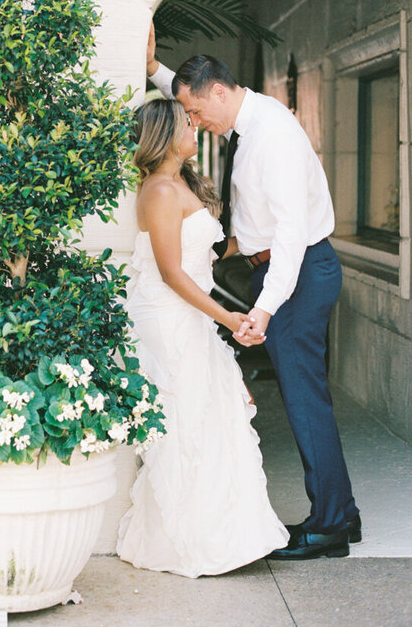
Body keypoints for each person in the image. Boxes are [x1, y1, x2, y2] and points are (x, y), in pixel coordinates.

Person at [146, 28, 360, 561]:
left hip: (299, 272)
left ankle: (330, 525)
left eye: (198, 114)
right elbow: (186, 94)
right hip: (277, 268)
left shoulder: (274, 137)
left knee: (304, 397)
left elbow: (289, 237)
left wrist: (264, 309)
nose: (196, 124)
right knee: (304, 394)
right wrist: (154, 70)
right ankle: (343, 512)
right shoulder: (243, 117)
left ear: (220, 92)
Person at [116, 99, 288, 577]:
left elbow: (203, 254)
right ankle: (187, 543)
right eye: (188, 124)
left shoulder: (179, 184)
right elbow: (172, 273)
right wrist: (231, 319)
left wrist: (261, 240)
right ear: (168, 135)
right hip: (169, 316)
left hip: (189, 313)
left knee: (210, 414)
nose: (196, 129)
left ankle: (220, 535)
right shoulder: (159, 190)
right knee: (188, 419)